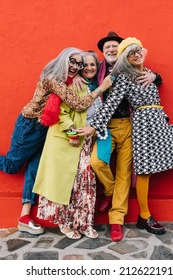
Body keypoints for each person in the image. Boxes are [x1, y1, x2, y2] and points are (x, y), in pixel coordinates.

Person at [0, 47, 112, 235]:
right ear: (63, 60)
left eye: (79, 64)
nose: (76, 66)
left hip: (45, 129)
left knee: (34, 168)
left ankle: (24, 216)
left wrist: (77, 76)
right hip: (30, 127)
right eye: (72, 61)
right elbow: (77, 103)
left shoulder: (67, 79)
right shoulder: (53, 79)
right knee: (12, 165)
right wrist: (102, 88)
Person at [77, 37, 173, 241]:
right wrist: (94, 126)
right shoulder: (117, 75)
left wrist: (154, 76)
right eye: (131, 53)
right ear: (123, 57)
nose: (136, 55)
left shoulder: (147, 73)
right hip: (138, 125)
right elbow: (110, 103)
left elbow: (157, 80)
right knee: (135, 168)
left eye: (138, 51)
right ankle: (143, 214)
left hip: (155, 122)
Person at [74, 31, 163, 242]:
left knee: (124, 173)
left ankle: (116, 220)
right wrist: (77, 75)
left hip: (131, 127)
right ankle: (109, 190)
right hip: (107, 127)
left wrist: (155, 76)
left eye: (115, 46)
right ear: (103, 53)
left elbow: (153, 79)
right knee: (97, 161)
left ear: (122, 50)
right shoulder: (98, 71)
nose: (111, 49)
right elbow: (85, 72)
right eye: (107, 48)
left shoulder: (133, 69)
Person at [33, 51, 109, 239]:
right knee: (66, 183)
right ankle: (65, 222)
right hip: (69, 140)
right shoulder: (74, 85)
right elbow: (60, 112)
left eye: (93, 65)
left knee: (86, 183)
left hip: (89, 141)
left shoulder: (100, 85)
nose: (89, 68)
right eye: (86, 65)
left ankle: (84, 223)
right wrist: (73, 131)